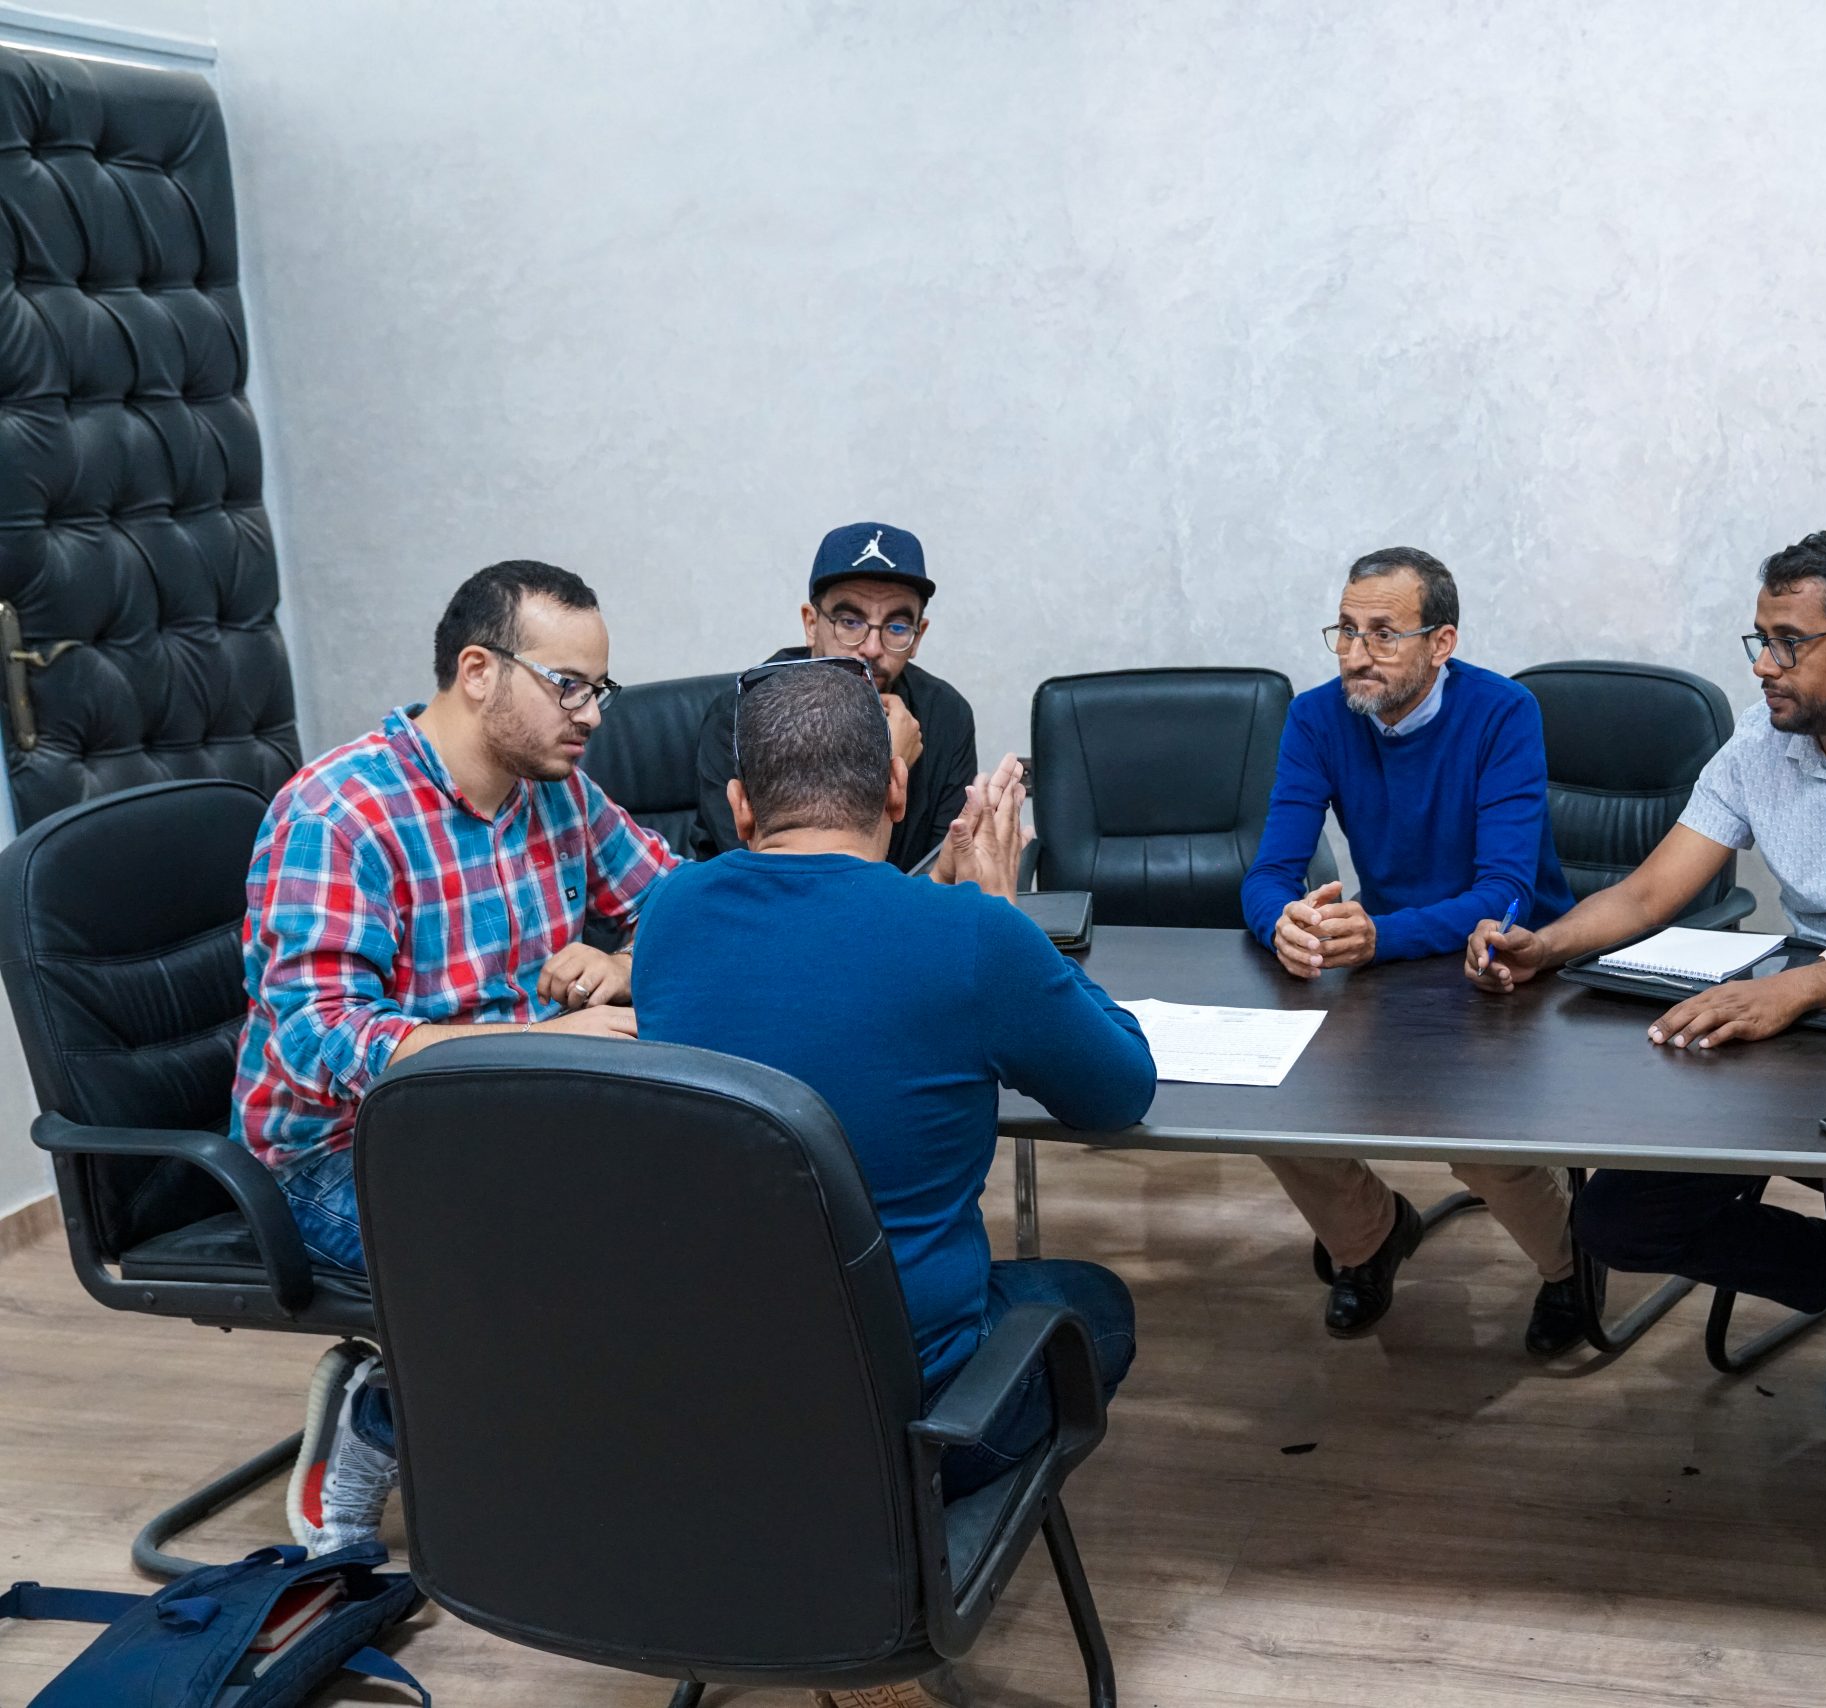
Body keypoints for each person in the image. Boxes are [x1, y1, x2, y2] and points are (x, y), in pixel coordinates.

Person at [636, 657, 1155, 1516]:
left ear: (740, 806)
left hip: (715, 1387)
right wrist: (1005, 913)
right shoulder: (975, 936)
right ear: (897, 789)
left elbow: (821, 939)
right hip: (911, 1403)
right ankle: (911, 1528)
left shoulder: (669, 913)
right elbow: (1120, 1089)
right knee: (1098, 1305)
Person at [230, 559, 678, 1551]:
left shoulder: (555, 793)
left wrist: (620, 960)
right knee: (572, 1249)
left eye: (599, 689)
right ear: (479, 671)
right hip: (339, 1153)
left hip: (512, 1117)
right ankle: (379, 1420)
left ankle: (590, 1453)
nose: (591, 714)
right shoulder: (340, 816)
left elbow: (683, 905)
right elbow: (319, 1039)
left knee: (696, 1194)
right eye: (569, 686)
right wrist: (539, 1041)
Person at [1464, 530, 1826, 1316]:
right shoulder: (1761, 742)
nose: (1764, 666)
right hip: (1804, 1039)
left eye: (1788, 643)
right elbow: (1648, 894)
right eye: (1761, 640)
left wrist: (1791, 991)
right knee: (1616, 1223)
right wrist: (1545, 946)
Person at [1237, 546, 1581, 1354]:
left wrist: (1377, 935)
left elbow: (1504, 891)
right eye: (1346, 631)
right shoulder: (1317, 718)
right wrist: (1282, 923)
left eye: (1384, 634)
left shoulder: (1503, 712)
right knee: (1268, 1100)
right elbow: (1269, 873)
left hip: (1508, 965)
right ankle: (1370, 1235)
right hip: (1387, 965)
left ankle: (1572, 1267)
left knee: (1475, 1142)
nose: (1357, 654)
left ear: (1442, 642)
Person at [694, 521, 977, 872]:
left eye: (897, 627)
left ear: (918, 637)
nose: (872, 648)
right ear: (811, 624)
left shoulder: (946, 715)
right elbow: (770, 878)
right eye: (850, 622)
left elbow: (944, 869)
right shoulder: (741, 713)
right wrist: (888, 765)